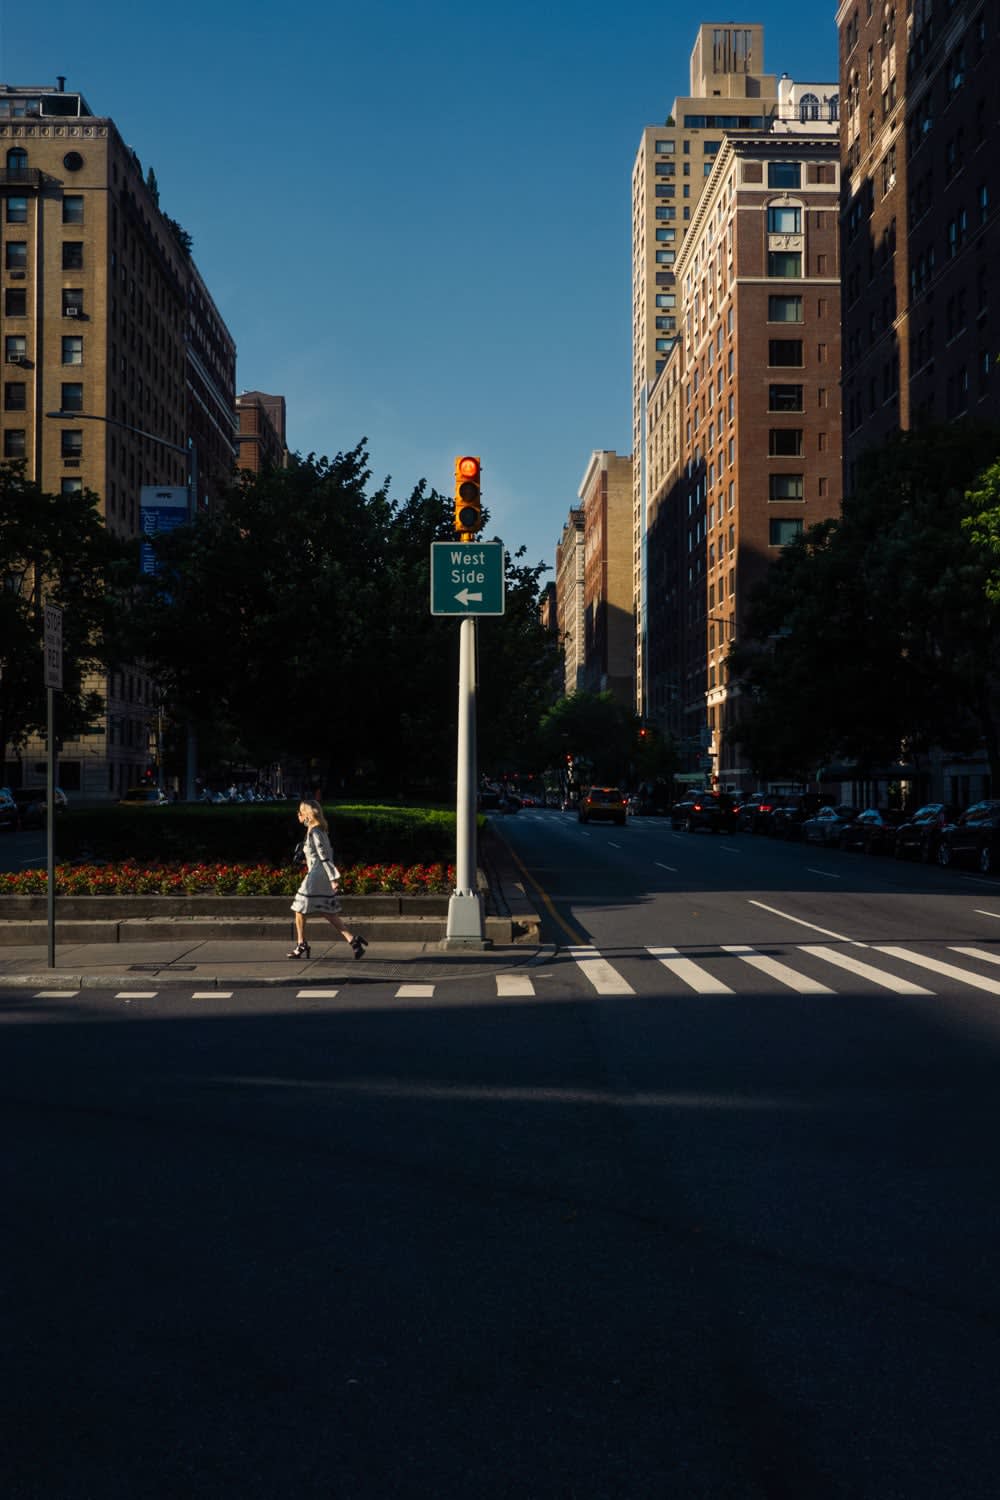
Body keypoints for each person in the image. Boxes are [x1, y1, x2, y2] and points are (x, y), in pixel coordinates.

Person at [288, 799, 367, 960]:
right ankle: (353, 941)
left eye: (300, 812)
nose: (298, 815)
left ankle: (301, 943)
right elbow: (320, 855)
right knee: (327, 911)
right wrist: (305, 860)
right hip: (320, 874)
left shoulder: (315, 832)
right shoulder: (318, 830)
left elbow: (325, 857)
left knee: (299, 907)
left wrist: (333, 879)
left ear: (306, 815)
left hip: (317, 876)